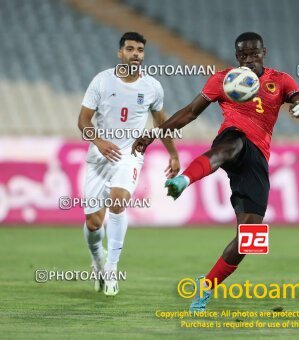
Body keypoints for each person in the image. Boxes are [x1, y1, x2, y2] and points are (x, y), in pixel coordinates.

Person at [132, 32, 299, 310]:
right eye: (243, 55)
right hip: (232, 136)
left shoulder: (281, 80)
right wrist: (153, 135)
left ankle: (206, 286)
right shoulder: (223, 80)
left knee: (250, 237)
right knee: (232, 145)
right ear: (236, 56)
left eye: (254, 54)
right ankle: (184, 179)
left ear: (263, 53)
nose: (248, 59)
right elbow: (190, 112)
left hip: (258, 158)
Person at [78, 32, 180, 296]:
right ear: (120, 53)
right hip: (99, 157)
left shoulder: (153, 87)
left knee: (118, 201)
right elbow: (83, 121)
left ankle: (112, 269)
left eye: (140, 50)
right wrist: (99, 142)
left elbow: (162, 123)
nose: (136, 54)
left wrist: (174, 154)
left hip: (129, 155)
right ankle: (97, 258)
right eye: (131, 49)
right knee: (92, 223)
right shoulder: (101, 81)